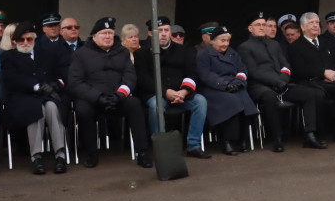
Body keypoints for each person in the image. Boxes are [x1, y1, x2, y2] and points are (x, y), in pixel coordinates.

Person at [69, 17, 152, 168]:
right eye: (103, 33)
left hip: (117, 97)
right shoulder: (81, 54)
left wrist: (120, 95)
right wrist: (97, 97)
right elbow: (75, 83)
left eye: (110, 33)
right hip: (92, 99)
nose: (108, 36)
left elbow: (130, 77)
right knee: (82, 110)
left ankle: (142, 152)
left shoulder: (122, 52)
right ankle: (92, 153)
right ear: (94, 36)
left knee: (135, 104)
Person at [239, 12, 327, 151]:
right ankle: (277, 138)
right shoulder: (245, 47)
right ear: (250, 29)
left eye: (264, 24)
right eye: (258, 25)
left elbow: (285, 65)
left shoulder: (274, 44)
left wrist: (283, 79)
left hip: (282, 83)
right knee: (269, 97)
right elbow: (254, 71)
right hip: (260, 86)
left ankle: (309, 135)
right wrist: (278, 81)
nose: (262, 27)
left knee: (310, 94)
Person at [0, 21, 69, 174]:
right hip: (21, 97)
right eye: (21, 39)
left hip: (47, 96)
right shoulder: (8, 57)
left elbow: (59, 76)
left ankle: (60, 155)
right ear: (14, 41)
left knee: (52, 107)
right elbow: (12, 79)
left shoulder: (46, 54)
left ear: (34, 40)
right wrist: (36, 86)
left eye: (29, 39)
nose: (25, 43)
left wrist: (54, 85)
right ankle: (36, 156)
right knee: (35, 109)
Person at [142, 17, 210, 159]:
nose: (164, 34)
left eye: (166, 30)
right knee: (155, 106)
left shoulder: (184, 51)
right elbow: (144, 79)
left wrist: (184, 91)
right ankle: (159, 146)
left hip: (182, 93)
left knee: (200, 101)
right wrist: (166, 92)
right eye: (159, 31)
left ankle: (194, 145)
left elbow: (192, 73)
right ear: (151, 34)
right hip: (158, 94)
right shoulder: (142, 52)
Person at [289, 12, 335, 143]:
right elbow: (299, 69)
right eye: (311, 23)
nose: (315, 25)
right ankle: (319, 134)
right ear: (302, 27)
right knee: (317, 95)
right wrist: (322, 73)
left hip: (332, 81)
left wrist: (333, 74)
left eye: (316, 22)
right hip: (310, 82)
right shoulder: (296, 47)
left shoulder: (328, 43)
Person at [196, 25, 260, 155]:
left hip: (233, 85)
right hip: (213, 88)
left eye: (227, 41)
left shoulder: (232, 52)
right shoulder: (204, 54)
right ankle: (227, 141)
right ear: (213, 40)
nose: (226, 44)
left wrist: (237, 82)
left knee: (245, 99)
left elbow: (242, 69)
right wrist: (224, 84)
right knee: (231, 102)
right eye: (222, 40)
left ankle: (242, 139)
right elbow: (205, 75)